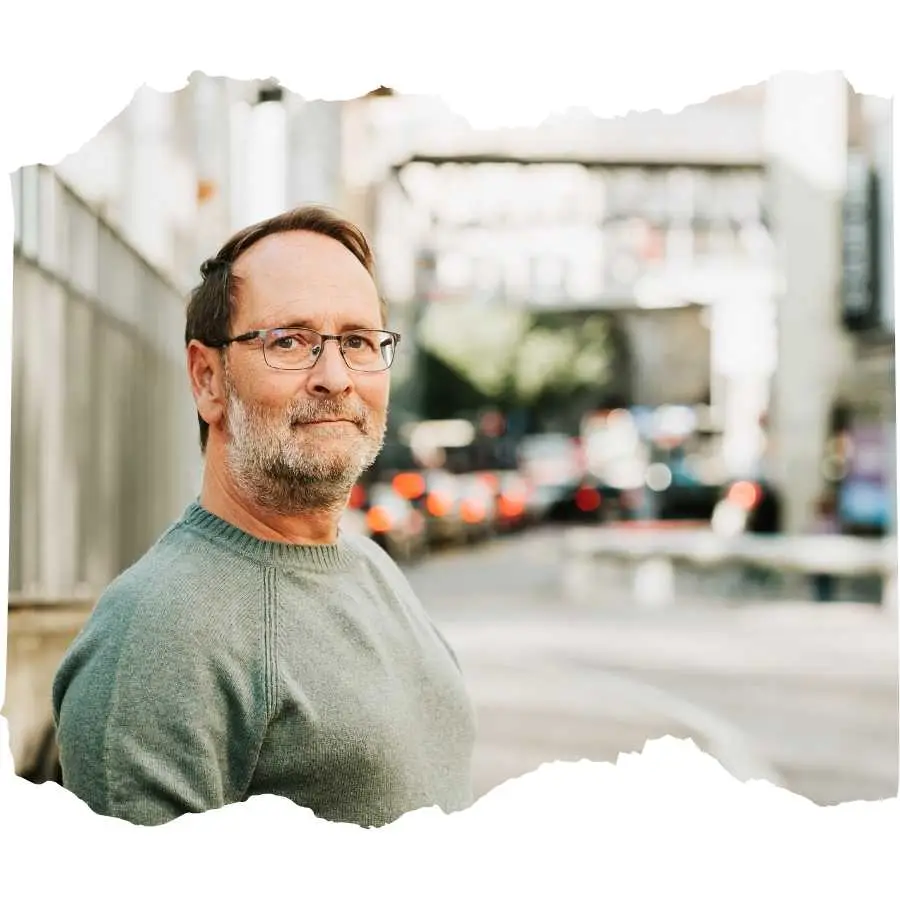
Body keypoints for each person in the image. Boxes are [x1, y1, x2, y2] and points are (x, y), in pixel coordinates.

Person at [52, 206, 477, 828]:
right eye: (290, 341)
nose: (335, 377)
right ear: (208, 380)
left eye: (358, 342)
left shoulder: (370, 567)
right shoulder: (158, 636)